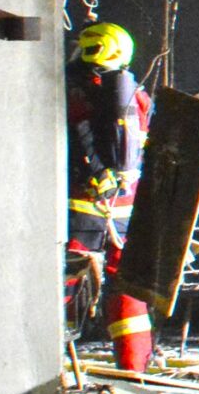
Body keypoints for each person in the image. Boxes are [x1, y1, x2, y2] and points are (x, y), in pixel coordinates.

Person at [66, 21, 155, 372]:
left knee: (67, 285)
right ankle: (135, 369)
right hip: (125, 210)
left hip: (80, 211)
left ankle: (53, 362)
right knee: (128, 290)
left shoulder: (73, 93)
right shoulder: (137, 96)